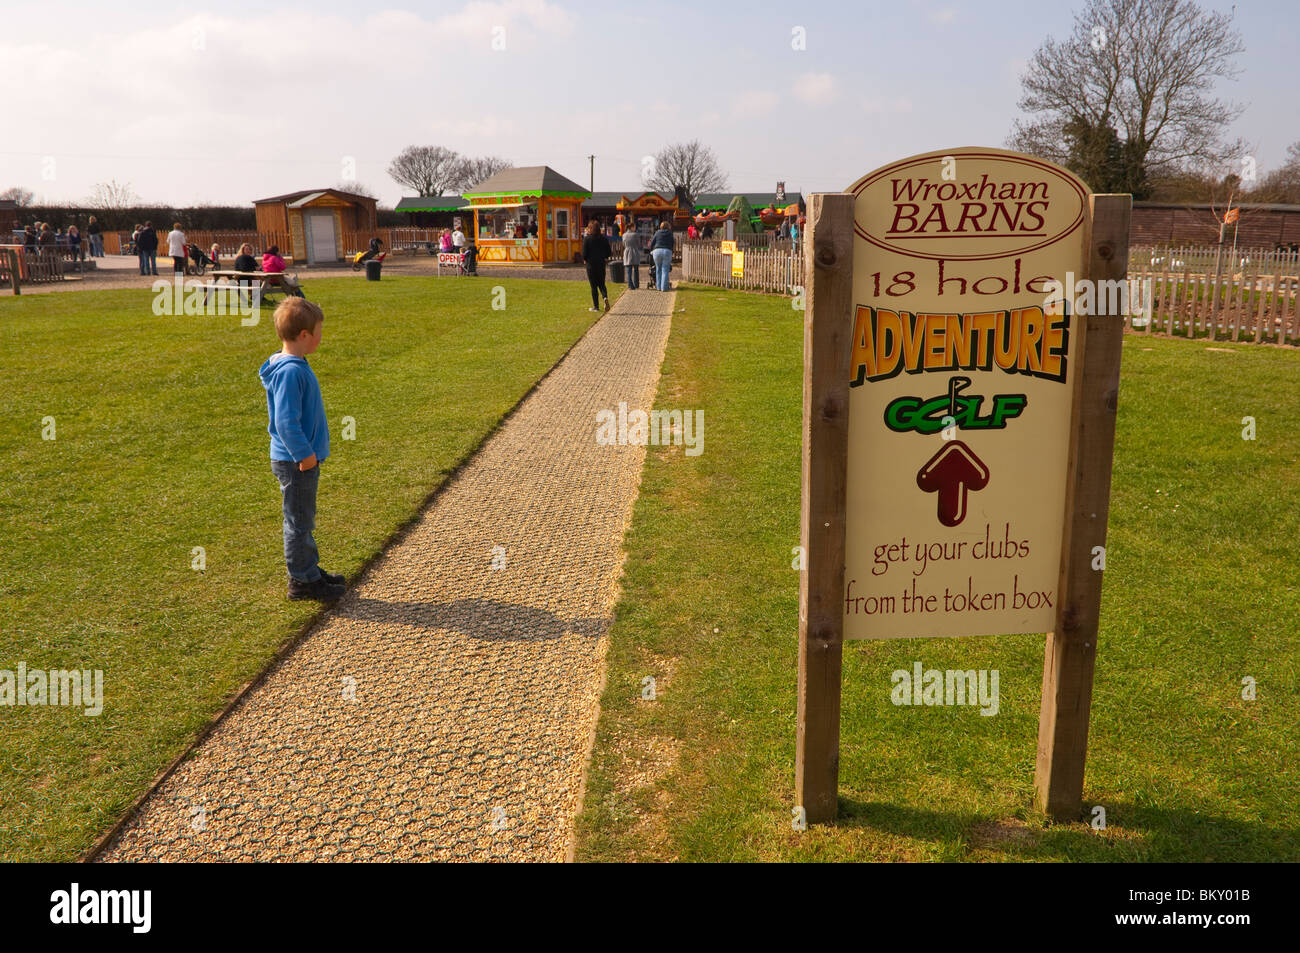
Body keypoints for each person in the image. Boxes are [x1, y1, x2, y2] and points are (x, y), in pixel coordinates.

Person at [258, 297, 345, 603]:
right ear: (305, 335)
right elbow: (284, 421)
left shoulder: (291, 365)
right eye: (319, 332)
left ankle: (309, 570)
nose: (321, 338)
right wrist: (304, 455)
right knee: (298, 521)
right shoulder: (291, 371)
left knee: (303, 517)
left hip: (299, 459)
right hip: (296, 461)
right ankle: (301, 581)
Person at [582, 219, 612, 312]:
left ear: (590, 228)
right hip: (601, 263)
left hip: (591, 265)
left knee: (593, 286)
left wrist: (585, 259)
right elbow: (609, 252)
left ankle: (596, 306)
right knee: (602, 284)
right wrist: (605, 257)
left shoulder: (587, 239)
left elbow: (584, 253)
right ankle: (605, 297)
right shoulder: (604, 239)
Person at [649, 220, 674, 291]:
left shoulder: (657, 232)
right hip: (667, 251)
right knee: (665, 269)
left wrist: (651, 250)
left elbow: (652, 242)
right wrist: (671, 250)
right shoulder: (670, 233)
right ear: (668, 226)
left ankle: (658, 287)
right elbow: (672, 242)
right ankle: (664, 288)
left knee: (658, 269)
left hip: (657, 251)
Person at [622, 222, 643, 290]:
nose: (635, 228)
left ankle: (630, 285)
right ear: (632, 227)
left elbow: (623, 244)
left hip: (627, 252)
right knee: (636, 269)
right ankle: (636, 284)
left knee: (629, 270)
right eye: (634, 227)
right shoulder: (635, 234)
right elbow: (638, 243)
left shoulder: (624, 235)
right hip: (634, 251)